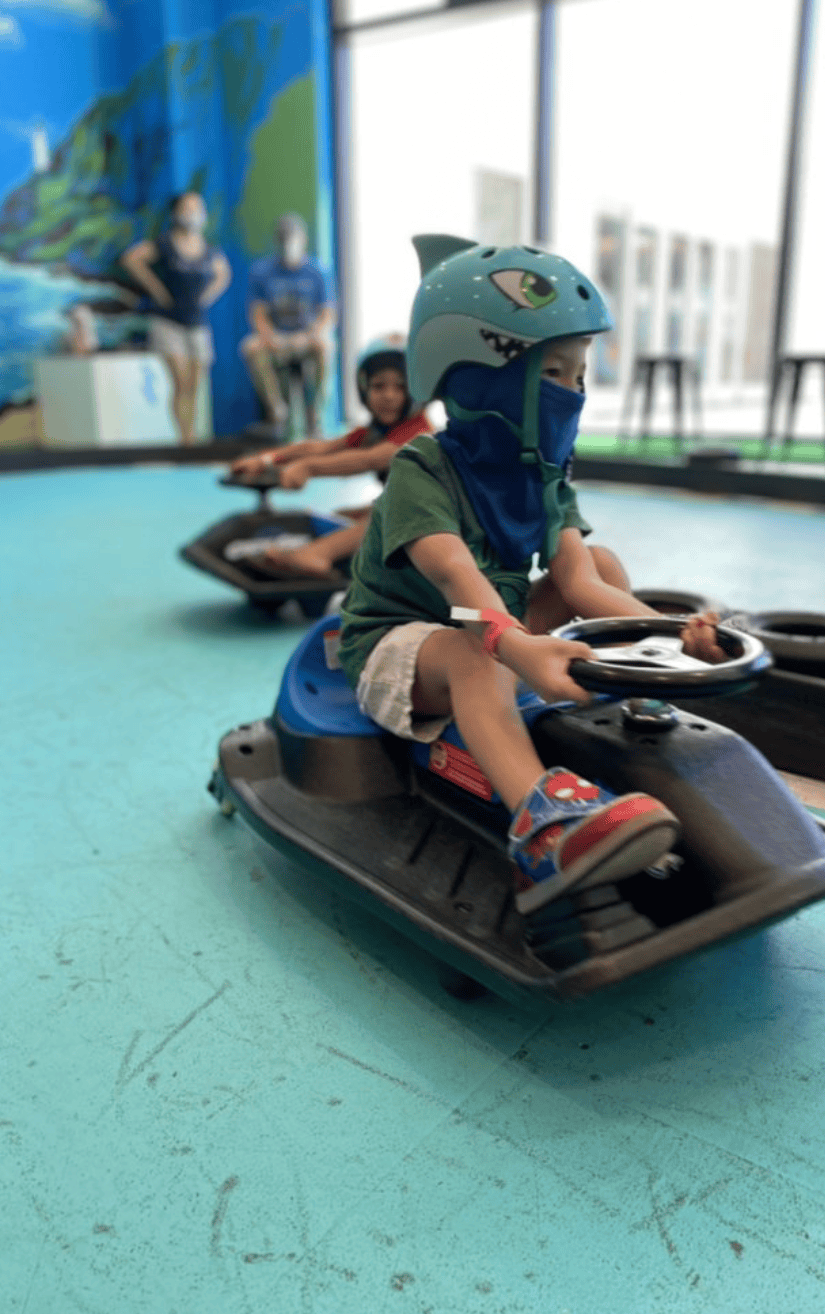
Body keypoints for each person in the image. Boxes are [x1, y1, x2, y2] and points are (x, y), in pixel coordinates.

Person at [338, 236, 726, 915]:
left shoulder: (544, 476)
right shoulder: (422, 468)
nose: (572, 395)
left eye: (580, 377)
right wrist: (516, 647)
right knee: (475, 648)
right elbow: (458, 583)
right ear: (481, 373)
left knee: (598, 561)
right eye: (554, 375)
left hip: (490, 627)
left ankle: (633, 700)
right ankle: (543, 826)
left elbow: (581, 580)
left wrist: (667, 641)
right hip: (398, 645)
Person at [230, 335, 432, 578]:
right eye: (378, 386)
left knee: (385, 515)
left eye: (400, 387)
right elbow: (322, 448)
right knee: (342, 517)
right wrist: (266, 460)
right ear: (364, 389)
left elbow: (371, 459)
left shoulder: (419, 431)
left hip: (436, 524)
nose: (388, 396)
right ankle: (329, 558)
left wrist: (308, 469)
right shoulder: (376, 432)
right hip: (410, 513)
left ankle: (317, 555)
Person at [120, 192, 231, 445]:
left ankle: (190, 432)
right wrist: (156, 289)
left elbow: (224, 274)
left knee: (194, 384)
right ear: (176, 212)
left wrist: (208, 297)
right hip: (168, 322)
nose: (192, 213)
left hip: (197, 324)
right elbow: (131, 259)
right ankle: (186, 440)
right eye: (187, 207)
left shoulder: (209, 249)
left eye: (197, 208)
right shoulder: (164, 244)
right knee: (180, 381)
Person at [241, 213, 334, 437]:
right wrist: (270, 337)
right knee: (250, 347)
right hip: (277, 338)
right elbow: (257, 313)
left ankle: (315, 415)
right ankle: (276, 413)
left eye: (293, 236)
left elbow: (328, 314)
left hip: (306, 337)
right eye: (283, 237)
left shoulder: (317, 272)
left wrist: (311, 335)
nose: (288, 242)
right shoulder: (262, 271)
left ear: (304, 240)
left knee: (326, 347)